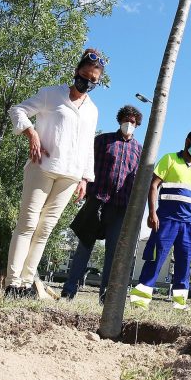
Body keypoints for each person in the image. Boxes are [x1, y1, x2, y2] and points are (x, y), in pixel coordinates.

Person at [4, 49, 104, 297]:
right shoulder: (51, 94)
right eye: (84, 76)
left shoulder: (92, 110)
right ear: (76, 71)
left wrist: (85, 178)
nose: (87, 82)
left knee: (45, 230)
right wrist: (31, 133)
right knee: (27, 224)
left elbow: (88, 145)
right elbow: (17, 110)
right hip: (42, 167)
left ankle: (26, 283)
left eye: (93, 80)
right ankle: (12, 283)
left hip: (70, 176)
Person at [62, 105, 143, 302]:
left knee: (113, 253)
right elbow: (86, 163)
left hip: (120, 207)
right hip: (97, 200)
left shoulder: (139, 150)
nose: (128, 124)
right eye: (126, 120)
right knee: (84, 246)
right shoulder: (103, 140)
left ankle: (105, 297)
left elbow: (138, 179)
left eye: (132, 122)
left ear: (137, 125)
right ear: (120, 120)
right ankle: (69, 291)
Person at [130, 130, 191, 310]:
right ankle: (140, 300)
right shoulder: (170, 159)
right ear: (187, 141)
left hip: (189, 225)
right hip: (166, 220)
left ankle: (180, 303)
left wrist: (187, 210)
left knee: (185, 263)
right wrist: (152, 212)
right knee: (155, 258)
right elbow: (153, 185)